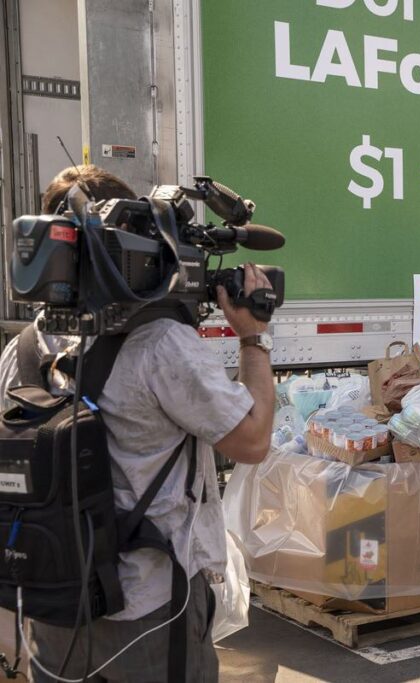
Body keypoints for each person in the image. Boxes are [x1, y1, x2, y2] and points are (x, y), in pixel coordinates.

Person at [0, 165, 276, 681]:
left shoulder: (24, 348)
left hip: (49, 600)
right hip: (148, 610)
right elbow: (254, 439)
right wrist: (253, 336)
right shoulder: (161, 344)